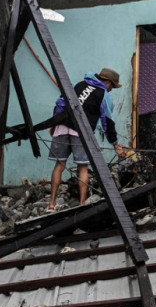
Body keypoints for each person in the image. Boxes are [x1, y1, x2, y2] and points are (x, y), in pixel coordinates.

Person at [48, 67, 127, 210]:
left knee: (59, 165)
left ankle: (51, 204)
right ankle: (82, 204)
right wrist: (115, 144)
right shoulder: (103, 94)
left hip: (61, 126)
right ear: (108, 82)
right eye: (113, 87)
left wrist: (54, 124)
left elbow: (60, 102)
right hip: (80, 131)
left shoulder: (79, 85)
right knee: (83, 167)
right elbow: (108, 122)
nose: (111, 90)